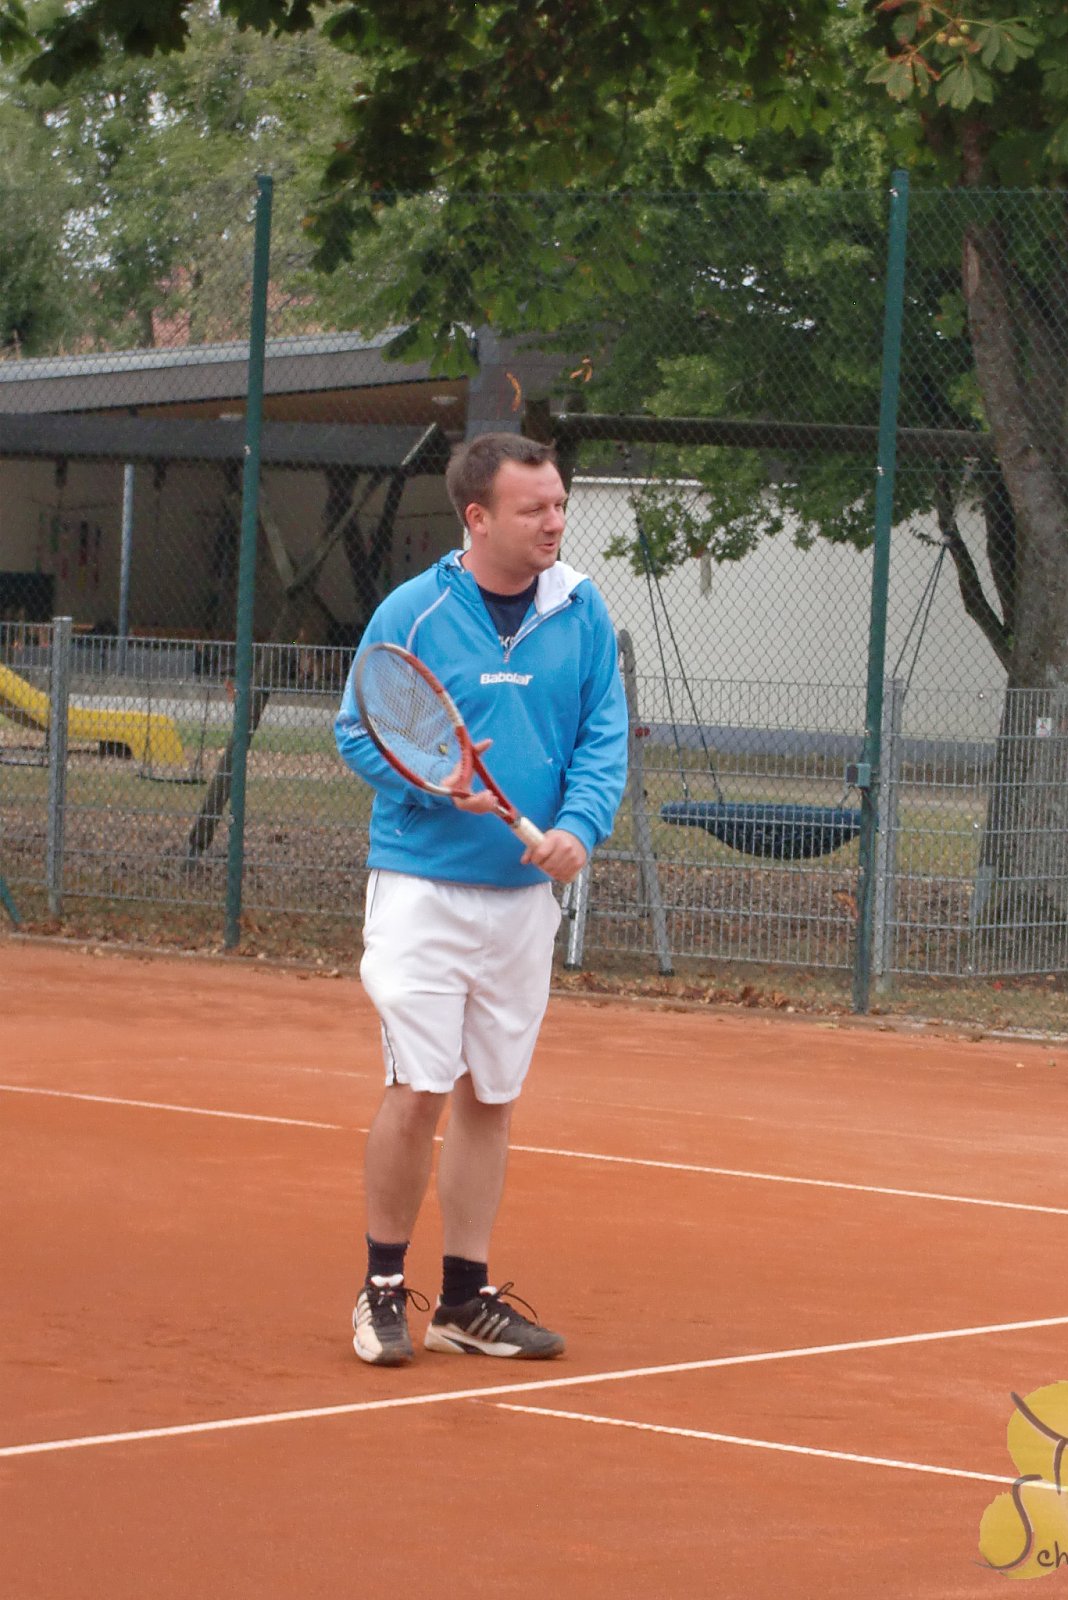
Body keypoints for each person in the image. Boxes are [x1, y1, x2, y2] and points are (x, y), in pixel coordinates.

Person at [335, 432, 628, 1366]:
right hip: (422, 889)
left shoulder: (581, 611)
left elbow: (603, 738)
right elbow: (358, 731)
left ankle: (464, 1302)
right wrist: (435, 784)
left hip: (523, 900)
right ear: (478, 517)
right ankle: (383, 1291)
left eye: (559, 505)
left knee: (490, 1095)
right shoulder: (414, 611)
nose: (554, 522)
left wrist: (579, 828)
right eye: (533, 508)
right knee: (419, 1088)